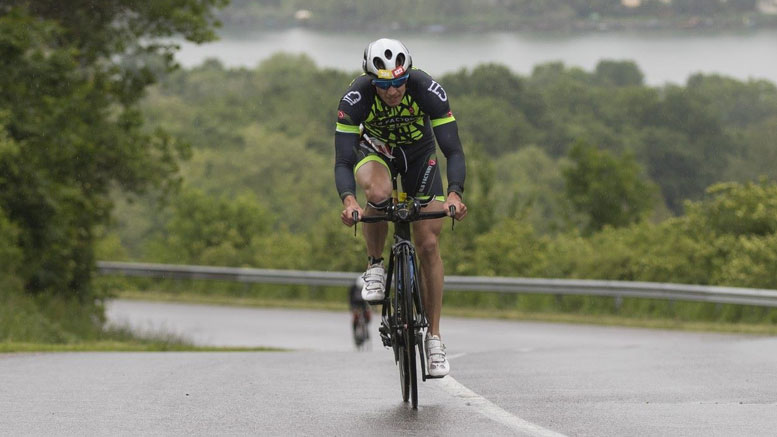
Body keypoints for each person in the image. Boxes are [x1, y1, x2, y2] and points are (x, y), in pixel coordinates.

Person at [334, 38, 467, 377]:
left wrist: (454, 194)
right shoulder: (356, 98)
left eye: (398, 82)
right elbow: (343, 159)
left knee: (428, 244)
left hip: (419, 155)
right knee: (377, 193)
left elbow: (452, 149)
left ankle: (434, 339)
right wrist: (349, 200)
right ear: (370, 80)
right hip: (375, 151)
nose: (392, 91)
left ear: (408, 73)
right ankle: (376, 264)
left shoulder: (426, 88)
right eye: (383, 84)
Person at [349, 276, 371, 349]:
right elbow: (350, 300)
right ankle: (355, 330)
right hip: (355, 305)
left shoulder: (367, 288)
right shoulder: (353, 288)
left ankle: (366, 331)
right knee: (355, 317)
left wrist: (369, 309)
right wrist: (353, 309)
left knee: (367, 315)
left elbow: (369, 300)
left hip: (364, 305)